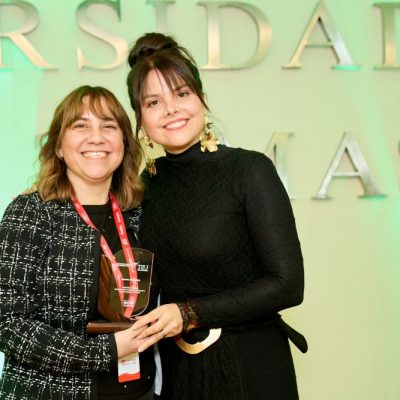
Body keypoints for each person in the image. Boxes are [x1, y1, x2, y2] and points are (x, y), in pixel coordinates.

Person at [125, 32, 307, 400]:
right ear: (140, 119)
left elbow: (287, 284)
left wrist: (187, 313)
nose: (171, 109)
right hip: (179, 372)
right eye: (154, 102)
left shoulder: (248, 170)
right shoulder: (144, 186)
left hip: (250, 364)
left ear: (201, 98)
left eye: (181, 94)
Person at [0, 85, 158, 400]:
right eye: (81, 125)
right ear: (59, 146)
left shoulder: (140, 214)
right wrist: (104, 351)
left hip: (139, 392)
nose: (96, 137)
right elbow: (8, 324)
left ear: (124, 144)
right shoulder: (31, 212)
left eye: (108, 126)